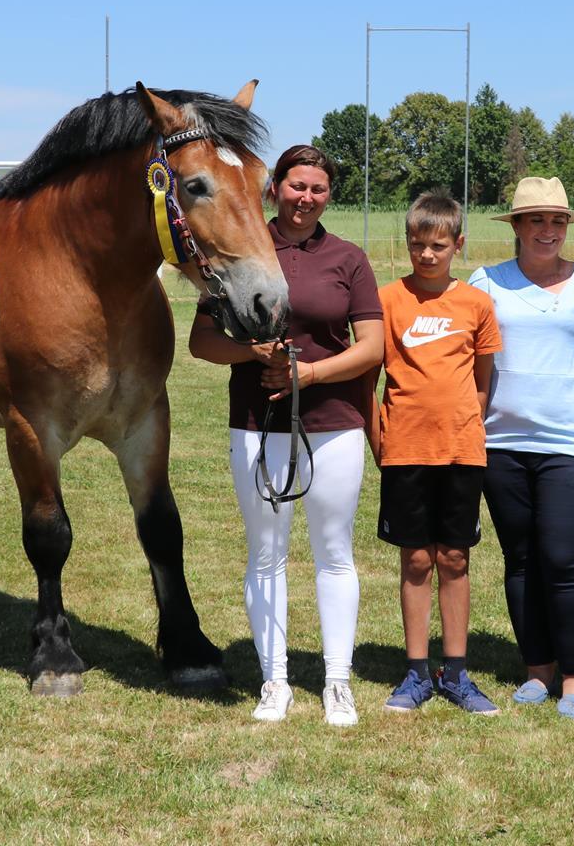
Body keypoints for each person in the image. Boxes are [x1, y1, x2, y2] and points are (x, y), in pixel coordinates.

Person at [188, 144, 384, 726]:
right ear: (274, 188)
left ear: (329, 195)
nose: (306, 198)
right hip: (257, 422)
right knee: (266, 553)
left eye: (318, 188)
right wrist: (251, 352)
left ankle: (337, 682)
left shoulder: (349, 258)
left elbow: (373, 347)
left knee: (334, 553)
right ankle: (274, 680)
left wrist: (312, 374)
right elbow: (201, 342)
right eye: (297, 186)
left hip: (334, 424)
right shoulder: (241, 246)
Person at [468, 177, 574, 719]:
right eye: (536, 219)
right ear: (516, 225)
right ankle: (538, 668)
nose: (548, 230)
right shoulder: (486, 283)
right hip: (501, 444)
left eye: (557, 221)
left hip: (571, 446)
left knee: (563, 561)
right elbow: (473, 362)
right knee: (520, 561)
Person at [370, 191, 503, 715]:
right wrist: (380, 440)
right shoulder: (386, 300)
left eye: (438, 246)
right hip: (405, 449)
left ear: (458, 244)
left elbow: (482, 382)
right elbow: (369, 377)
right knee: (417, 559)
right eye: (417, 244)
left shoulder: (476, 304)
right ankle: (416, 672)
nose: (426, 254)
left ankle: (457, 672)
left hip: (461, 453)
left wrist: (465, 429)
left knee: (453, 557)